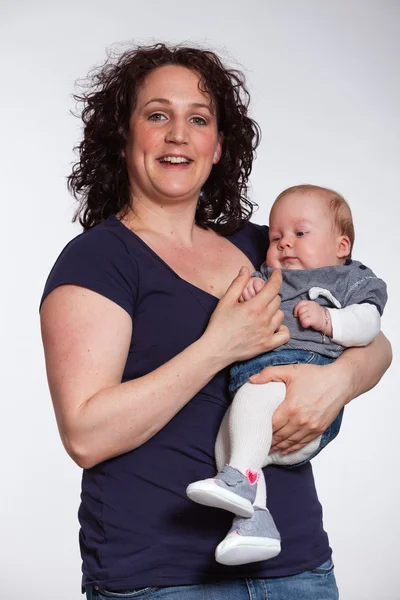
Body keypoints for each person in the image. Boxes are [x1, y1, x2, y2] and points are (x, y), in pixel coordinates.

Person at [39, 43, 391, 600]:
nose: (178, 134)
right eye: (158, 115)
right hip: (159, 578)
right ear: (124, 137)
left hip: (297, 568)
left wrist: (336, 383)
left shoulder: (265, 246)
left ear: (218, 145)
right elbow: (85, 434)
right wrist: (218, 346)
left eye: (198, 119)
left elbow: (374, 341)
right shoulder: (99, 258)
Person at [187, 184, 387, 566]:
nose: (283, 244)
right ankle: (255, 523)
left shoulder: (348, 279)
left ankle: (241, 479)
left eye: (300, 233)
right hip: (261, 397)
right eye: (276, 236)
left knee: (251, 402)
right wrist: (252, 289)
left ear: (341, 246)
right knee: (224, 445)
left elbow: (370, 324)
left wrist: (330, 319)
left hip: (301, 391)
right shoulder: (271, 273)